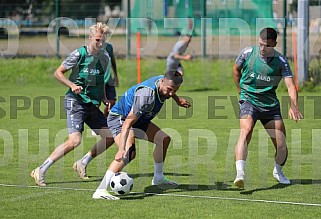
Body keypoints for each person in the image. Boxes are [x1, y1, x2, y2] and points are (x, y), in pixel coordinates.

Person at [30, 22, 115, 186]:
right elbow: (58, 73)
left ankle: (82, 162)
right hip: (75, 101)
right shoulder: (79, 54)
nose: (100, 43)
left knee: (110, 136)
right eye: (97, 39)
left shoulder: (105, 57)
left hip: (91, 104)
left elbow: (101, 81)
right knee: (75, 141)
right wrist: (72, 85)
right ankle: (41, 169)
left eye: (103, 40)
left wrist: (104, 98)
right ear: (90, 38)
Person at [92, 71, 191, 200]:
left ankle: (159, 178)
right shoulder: (146, 96)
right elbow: (127, 123)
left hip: (140, 118)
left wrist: (177, 100)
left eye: (175, 90)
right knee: (129, 152)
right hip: (120, 118)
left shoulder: (165, 80)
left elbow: (171, 87)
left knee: (164, 139)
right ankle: (100, 190)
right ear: (162, 82)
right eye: (169, 90)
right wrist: (121, 149)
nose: (171, 93)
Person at [232, 27, 303, 189]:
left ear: (275, 44)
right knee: (246, 130)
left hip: (270, 105)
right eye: (261, 44)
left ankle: (278, 171)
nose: (263, 49)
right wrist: (239, 91)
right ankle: (240, 174)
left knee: (281, 144)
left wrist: (294, 105)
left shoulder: (281, 61)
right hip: (249, 100)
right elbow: (236, 69)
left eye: (267, 46)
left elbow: (291, 85)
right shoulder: (247, 53)